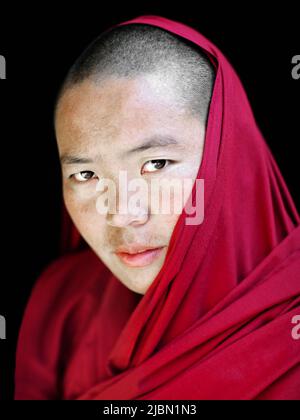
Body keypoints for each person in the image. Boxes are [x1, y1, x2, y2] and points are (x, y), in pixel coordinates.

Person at [15, 15, 300, 400]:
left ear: (233, 155)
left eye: (156, 164)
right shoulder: (61, 300)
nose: (122, 214)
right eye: (86, 175)